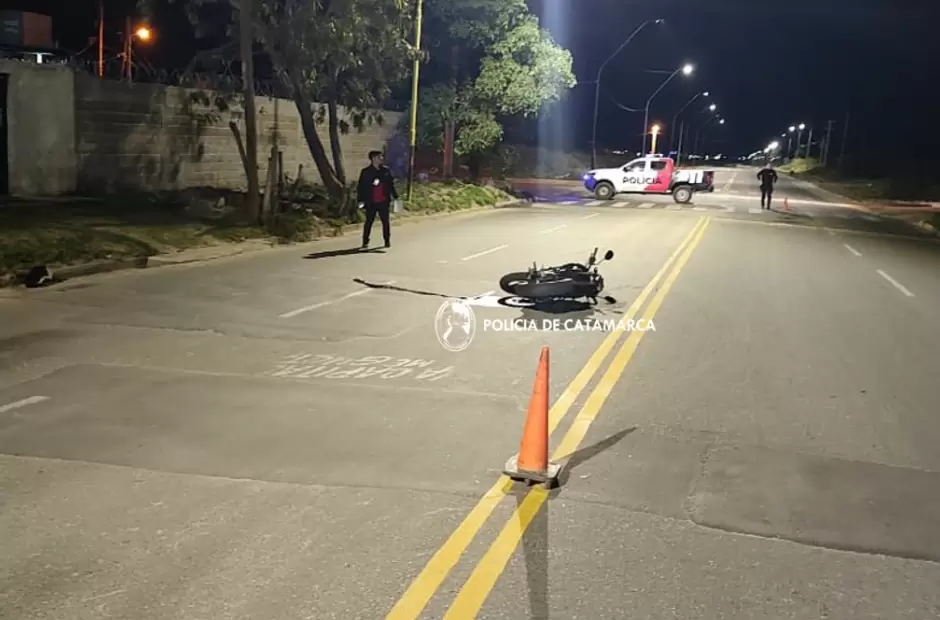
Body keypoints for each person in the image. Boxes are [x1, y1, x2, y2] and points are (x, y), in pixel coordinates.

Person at [357, 150, 398, 249]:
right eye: (379, 157)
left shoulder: (386, 170)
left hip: (383, 201)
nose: (381, 159)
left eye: (382, 157)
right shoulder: (366, 172)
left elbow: (390, 184)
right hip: (371, 201)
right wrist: (360, 200)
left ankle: (387, 240)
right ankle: (365, 241)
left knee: (385, 221)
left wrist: (395, 196)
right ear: (373, 158)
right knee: (369, 222)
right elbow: (361, 187)